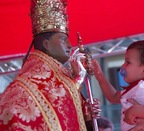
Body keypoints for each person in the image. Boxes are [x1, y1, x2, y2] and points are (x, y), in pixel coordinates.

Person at [0, 0, 101, 130]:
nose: (70, 45)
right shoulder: (34, 78)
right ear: (46, 44)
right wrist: (77, 80)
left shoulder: (60, 76)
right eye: (63, 39)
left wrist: (85, 114)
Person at [91, 41, 144, 131]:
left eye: (128, 62)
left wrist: (134, 110)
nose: (123, 65)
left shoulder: (141, 88)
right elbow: (113, 96)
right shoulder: (134, 89)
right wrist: (100, 77)